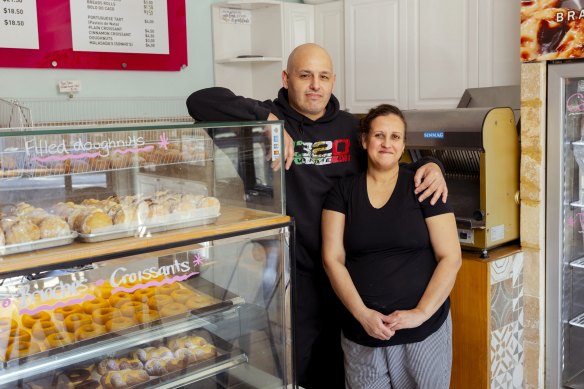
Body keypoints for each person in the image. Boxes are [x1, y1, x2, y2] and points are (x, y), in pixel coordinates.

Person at [186, 43, 448, 389]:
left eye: (323, 76)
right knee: (301, 367)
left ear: (333, 81)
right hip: (294, 275)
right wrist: (265, 119)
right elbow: (198, 101)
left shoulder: (349, 128)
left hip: (348, 273)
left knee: (345, 366)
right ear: (286, 78)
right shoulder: (261, 121)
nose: (315, 85)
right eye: (305, 75)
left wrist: (433, 164)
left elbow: (391, 162)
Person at [321, 104, 461, 389]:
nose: (387, 143)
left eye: (396, 137)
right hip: (362, 333)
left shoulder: (424, 186)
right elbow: (332, 258)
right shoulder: (342, 192)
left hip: (423, 333)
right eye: (379, 135)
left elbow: (451, 257)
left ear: (404, 144)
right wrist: (362, 314)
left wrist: (420, 313)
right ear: (364, 140)